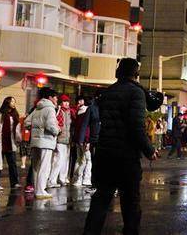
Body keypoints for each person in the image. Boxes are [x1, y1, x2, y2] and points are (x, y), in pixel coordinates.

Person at [83, 58, 157, 235]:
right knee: (130, 202)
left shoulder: (108, 92)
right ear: (136, 74)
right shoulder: (136, 93)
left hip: (104, 154)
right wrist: (149, 150)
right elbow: (136, 128)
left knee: (100, 200)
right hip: (126, 156)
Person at [25, 87, 60, 199]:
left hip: (35, 141)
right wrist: (57, 130)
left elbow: (26, 122)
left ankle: (37, 189)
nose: (56, 99)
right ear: (50, 97)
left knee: (36, 166)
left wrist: (35, 129)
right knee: (44, 166)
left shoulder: (37, 108)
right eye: (55, 97)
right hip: (46, 141)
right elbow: (50, 125)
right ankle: (40, 190)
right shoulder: (50, 109)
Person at [72, 96, 97, 187]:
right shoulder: (87, 112)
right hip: (85, 139)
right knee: (87, 160)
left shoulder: (78, 112)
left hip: (78, 139)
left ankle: (76, 179)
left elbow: (77, 128)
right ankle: (84, 179)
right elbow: (87, 128)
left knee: (79, 159)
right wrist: (87, 140)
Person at [48, 94, 72, 188]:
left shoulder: (70, 112)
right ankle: (52, 180)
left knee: (65, 161)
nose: (66, 103)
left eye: (68, 101)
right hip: (59, 139)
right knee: (57, 160)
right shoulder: (58, 110)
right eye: (64, 101)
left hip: (68, 140)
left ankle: (62, 178)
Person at [0, 97, 22, 188]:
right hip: (1, 141)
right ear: (7, 102)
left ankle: (14, 182)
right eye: (12, 101)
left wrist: (19, 139)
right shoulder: (1, 114)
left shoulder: (14, 114)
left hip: (11, 142)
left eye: (14, 101)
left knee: (12, 163)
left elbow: (17, 129)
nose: (14, 103)